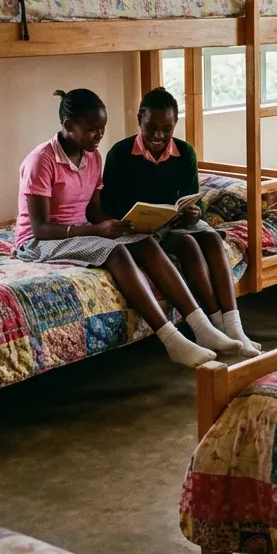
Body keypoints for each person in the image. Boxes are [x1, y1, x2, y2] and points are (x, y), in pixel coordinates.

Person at [15, 89, 246, 367]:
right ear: (67, 126)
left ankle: (201, 327)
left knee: (144, 242)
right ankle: (172, 340)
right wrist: (98, 231)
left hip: (82, 229)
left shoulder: (92, 157)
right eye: (92, 131)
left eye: (102, 129)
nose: (99, 137)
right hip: (42, 240)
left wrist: (124, 226)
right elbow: (40, 228)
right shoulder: (42, 160)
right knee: (116, 253)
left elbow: (93, 211)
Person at [102, 87, 260, 358]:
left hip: (172, 225)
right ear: (139, 118)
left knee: (208, 238)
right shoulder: (120, 153)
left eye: (167, 129)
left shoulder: (184, 153)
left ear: (175, 125)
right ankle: (210, 326)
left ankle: (232, 327)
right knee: (185, 243)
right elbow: (108, 204)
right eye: (151, 127)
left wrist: (193, 213)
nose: (158, 136)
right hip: (136, 228)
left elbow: (192, 200)